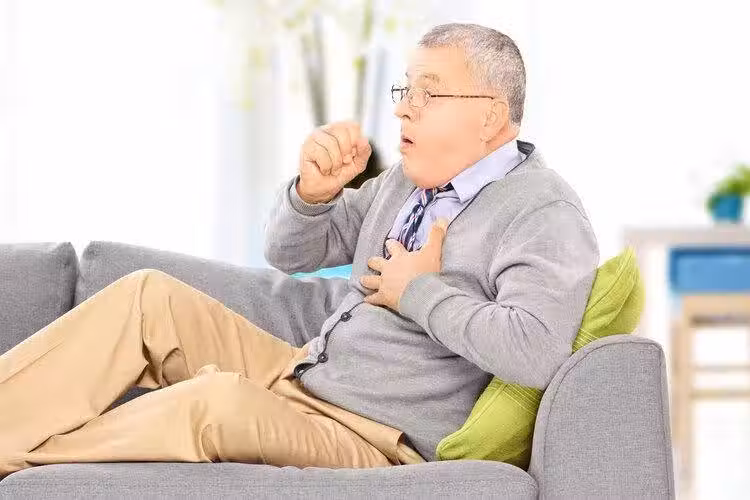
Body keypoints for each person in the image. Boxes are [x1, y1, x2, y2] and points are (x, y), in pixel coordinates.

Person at [0, 22, 598, 477]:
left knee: (211, 403)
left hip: (373, 437)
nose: (402, 108)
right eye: (405, 89)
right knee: (145, 298)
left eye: (428, 94)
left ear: (490, 117)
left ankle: (19, 460)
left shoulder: (542, 211)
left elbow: (536, 352)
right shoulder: (407, 182)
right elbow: (290, 253)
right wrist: (313, 194)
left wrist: (417, 290)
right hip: (305, 376)